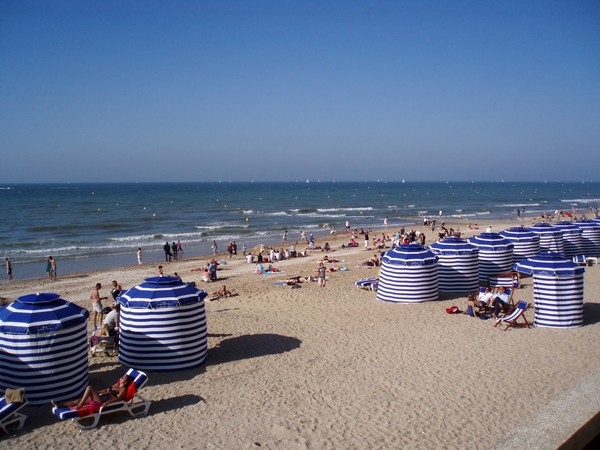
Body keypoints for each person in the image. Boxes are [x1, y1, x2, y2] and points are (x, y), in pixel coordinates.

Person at [53, 374, 135, 411]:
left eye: (124, 378)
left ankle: (79, 406)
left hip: (102, 401)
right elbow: (106, 390)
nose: (121, 377)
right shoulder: (116, 385)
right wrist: (97, 392)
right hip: (100, 397)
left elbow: (118, 399)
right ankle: (60, 405)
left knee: (89, 387)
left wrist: (108, 403)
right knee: (79, 399)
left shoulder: (122, 389)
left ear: (126, 382)